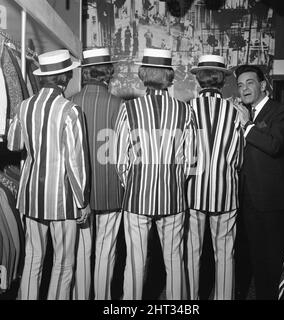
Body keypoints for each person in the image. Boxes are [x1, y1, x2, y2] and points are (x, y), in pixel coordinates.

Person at [7, 49, 90, 300]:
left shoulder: (24, 106)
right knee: (63, 264)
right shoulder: (70, 110)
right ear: (63, 78)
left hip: (31, 194)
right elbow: (75, 163)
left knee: (32, 260)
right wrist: (82, 201)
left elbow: (14, 144)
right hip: (61, 198)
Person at [114, 48, 196, 300]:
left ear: (143, 75)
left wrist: (133, 183)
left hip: (137, 196)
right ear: (169, 77)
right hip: (172, 196)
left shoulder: (129, 109)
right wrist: (173, 181)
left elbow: (120, 160)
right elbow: (190, 159)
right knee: (174, 259)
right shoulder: (184, 110)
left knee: (136, 259)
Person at [235, 64, 284, 300]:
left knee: (274, 265)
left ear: (263, 85)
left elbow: (274, 145)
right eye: (240, 85)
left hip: (274, 204)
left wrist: (247, 126)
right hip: (250, 202)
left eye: (249, 83)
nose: (244, 89)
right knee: (258, 262)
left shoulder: (282, 112)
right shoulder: (246, 114)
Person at [186, 54, 244, 300]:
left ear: (199, 79)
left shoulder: (187, 108)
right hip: (226, 192)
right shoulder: (236, 112)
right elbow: (239, 158)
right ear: (222, 80)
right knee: (225, 253)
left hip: (193, 193)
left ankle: (191, 302)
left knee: (191, 252)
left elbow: (184, 155)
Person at [70, 48, 124, 300]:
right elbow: (125, 151)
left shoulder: (71, 102)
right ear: (108, 73)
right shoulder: (119, 104)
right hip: (111, 187)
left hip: (78, 192)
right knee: (106, 251)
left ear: (86, 72)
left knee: (82, 250)